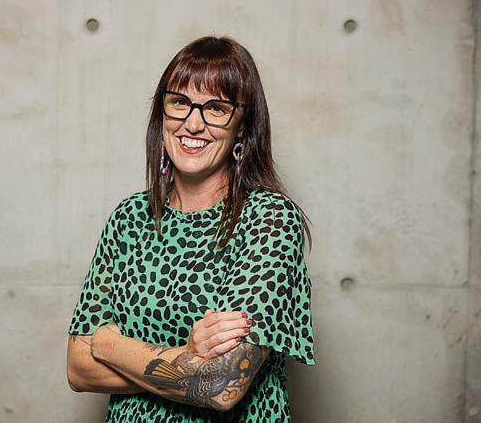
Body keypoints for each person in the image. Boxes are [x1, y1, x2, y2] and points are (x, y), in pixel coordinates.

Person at [66, 35, 316, 422]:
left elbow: (221, 384)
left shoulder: (269, 220)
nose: (193, 124)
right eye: (180, 103)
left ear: (242, 127)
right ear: (162, 113)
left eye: (216, 108)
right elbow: (78, 368)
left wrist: (108, 345)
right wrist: (187, 358)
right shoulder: (130, 217)